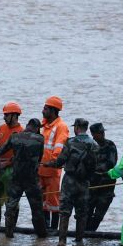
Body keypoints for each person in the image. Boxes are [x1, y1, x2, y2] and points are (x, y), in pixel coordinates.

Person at [44, 117, 97, 246]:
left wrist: (48, 164)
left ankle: (62, 241)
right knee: (82, 213)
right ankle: (79, 240)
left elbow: (60, 161)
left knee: (65, 212)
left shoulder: (71, 142)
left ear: (77, 128)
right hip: (84, 183)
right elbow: (95, 166)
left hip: (69, 181)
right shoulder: (94, 145)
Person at [0, 118, 47, 238]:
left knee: (11, 207)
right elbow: (39, 158)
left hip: (16, 177)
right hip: (32, 179)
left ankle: (8, 234)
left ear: (27, 125)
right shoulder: (40, 139)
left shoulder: (14, 137)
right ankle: (41, 235)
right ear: (37, 128)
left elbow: (0, 151)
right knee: (36, 208)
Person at [38, 95, 70, 229]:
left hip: (52, 171)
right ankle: (45, 226)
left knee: (53, 201)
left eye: (45, 108)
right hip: (40, 170)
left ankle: (54, 228)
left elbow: (59, 146)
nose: (42, 110)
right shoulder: (44, 125)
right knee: (42, 201)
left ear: (53, 110)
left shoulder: (61, 126)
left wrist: (53, 161)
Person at [0, 102, 23, 218]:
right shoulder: (1, 128)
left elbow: (20, 155)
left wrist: (7, 163)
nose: (4, 117)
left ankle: (11, 228)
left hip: (12, 170)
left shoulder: (21, 132)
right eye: (4, 115)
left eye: (6, 115)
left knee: (11, 200)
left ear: (14, 116)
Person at [87, 123, 119, 232]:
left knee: (99, 215)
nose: (102, 134)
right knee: (87, 212)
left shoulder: (110, 145)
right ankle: (86, 234)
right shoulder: (90, 146)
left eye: (103, 132)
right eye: (99, 133)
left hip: (106, 186)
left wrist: (99, 169)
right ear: (93, 134)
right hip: (91, 185)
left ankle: (91, 233)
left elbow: (112, 162)